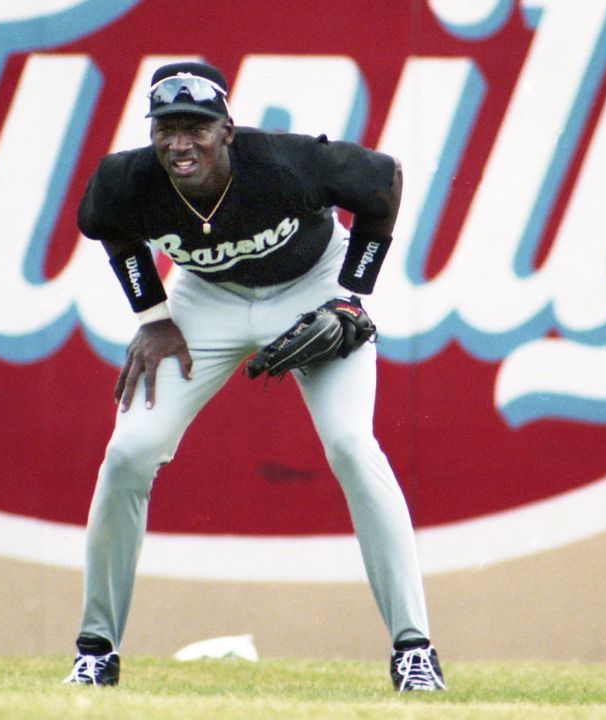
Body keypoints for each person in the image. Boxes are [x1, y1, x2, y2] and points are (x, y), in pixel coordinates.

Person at [62, 61, 445, 693]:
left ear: (227, 130)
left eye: (196, 127)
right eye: (167, 128)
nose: (180, 143)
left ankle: (414, 650)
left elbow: (385, 183)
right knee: (128, 452)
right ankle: (96, 650)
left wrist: (351, 297)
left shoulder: (282, 164)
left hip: (310, 284)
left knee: (352, 445)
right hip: (204, 298)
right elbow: (112, 231)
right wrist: (153, 317)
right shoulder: (125, 180)